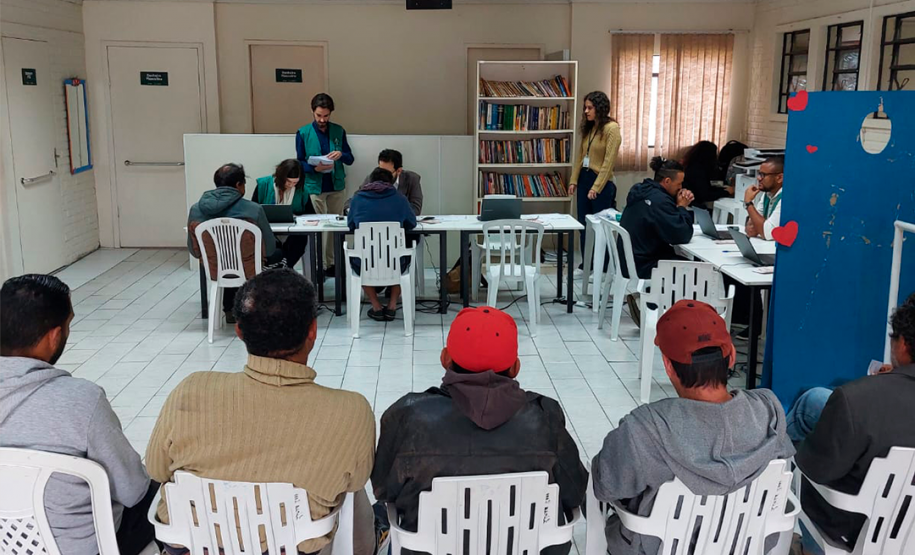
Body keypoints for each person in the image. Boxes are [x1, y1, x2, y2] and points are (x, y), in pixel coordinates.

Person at [146, 269, 376, 555]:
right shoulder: (351, 411)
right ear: (312, 331)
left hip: (192, 547)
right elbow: (356, 481)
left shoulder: (191, 390)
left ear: (239, 331)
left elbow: (155, 469)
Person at [372, 306, 588, 555]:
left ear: (445, 359)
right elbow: (574, 492)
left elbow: (384, 489)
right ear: (516, 367)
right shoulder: (545, 416)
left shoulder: (408, 415)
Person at [591, 299, 794, 555]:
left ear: (668, 366)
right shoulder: (769, 411)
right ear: (731, 355)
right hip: (745, 547)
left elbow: (604, 486)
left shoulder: (644, 429)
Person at [0, 274, 157, 555]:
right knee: (157, 495)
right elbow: (133, 490)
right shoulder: (82, 400)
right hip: (81, 548)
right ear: (54, 335)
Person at [787, 292, 915, 552]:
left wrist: (791, 453)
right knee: (814, 401)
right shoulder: (858, 399)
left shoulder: (856, 399)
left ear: (902, 344)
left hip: (859, 528)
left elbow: (815, 470)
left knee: (786, 458)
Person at [187, 163, 286, 323]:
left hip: (215, 267)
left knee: (228, 259)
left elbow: (194, 250)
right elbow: (268, 249)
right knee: (278, 254)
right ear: (239, 185)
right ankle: (267, 306)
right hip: (249, 266)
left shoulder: (195, 210)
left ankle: (230, 309)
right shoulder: (253, 210)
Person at [347, 167, 417, 322]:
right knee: (403, 260)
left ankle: (376, 306)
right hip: (395, 262)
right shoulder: (400, 199)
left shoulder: (357, 199)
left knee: (359, 263)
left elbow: (351, 225)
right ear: (391, 182)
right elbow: (412, 223)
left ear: (371, 181)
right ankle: (392, 306)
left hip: (365, 262)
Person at [296, 93, 354, 275]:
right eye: (319, 115)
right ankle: (318, 265)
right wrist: (314, 169)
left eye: (326, 116)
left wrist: (341, 155)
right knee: (320, 228)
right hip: (315, 187)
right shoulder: (303, 133)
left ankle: (333, 263)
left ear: (331, 114)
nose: (322, 119)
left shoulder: (338, 130)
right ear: (313, 112)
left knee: (336, 226)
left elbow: (350, 158)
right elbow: (299, 163)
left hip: (336, 186)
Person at [569, 91, 621, 273]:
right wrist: (574, 180)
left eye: (590, 108)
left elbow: (608, 162)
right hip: (585, 178)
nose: (586, 111)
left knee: (600, 228)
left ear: (600, 108)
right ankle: (586, 265)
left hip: (602, 183)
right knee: (583, 225)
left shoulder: (612, 128)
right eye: (585, 107)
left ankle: (603, 268)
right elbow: (580, 156)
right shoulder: (589, 128)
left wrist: (596, 187)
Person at [620, 157, 695, 280]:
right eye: (679, 183)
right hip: (645, 265)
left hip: (629, 261)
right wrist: (681, 207)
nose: (681, 188)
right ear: (667, 181)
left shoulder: (640, 190)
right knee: (701, 270)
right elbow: (682, 235)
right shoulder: (660, 201)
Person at [251, 158, 315, 268]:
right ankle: (280, 267)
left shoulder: (302, 190)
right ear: (280, 177)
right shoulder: (263, 185)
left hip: (292, 231)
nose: (291, 185)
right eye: (288, 181)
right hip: (267, 229)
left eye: (295, 182)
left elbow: (311, 214)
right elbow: (253, 210)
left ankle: (285, 266)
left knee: (300, 239)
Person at [345, 149, 423, 216]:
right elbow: (352, 201)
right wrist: (350, 210)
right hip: (376, 227)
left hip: (404, 228)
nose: (382, 175)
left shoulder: (412, 179)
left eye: (387, 172)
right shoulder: (372, 178)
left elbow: (416, 209)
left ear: (398, 171)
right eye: (380, 170)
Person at [682, 140, 734, 206]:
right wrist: (726, 192)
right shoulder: (697, 171)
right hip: (695, 205)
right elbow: (705, 195)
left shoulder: (694, 166)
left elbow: (706, 187)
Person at [744, 155, 784, 241]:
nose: (758, 178)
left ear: (779, 178)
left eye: (763, 175)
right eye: (759, 174)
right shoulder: (767, 194)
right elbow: (752, 230)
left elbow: (767, 233)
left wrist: (748, 203)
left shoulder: (786, 199)